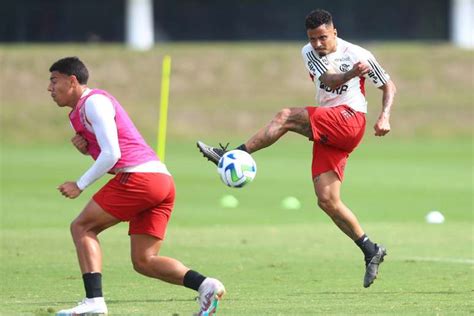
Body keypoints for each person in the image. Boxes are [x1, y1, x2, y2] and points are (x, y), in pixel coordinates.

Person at [197, 9, 396, 288]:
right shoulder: (310, 52)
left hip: (350, 120)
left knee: (286, 116)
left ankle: (231, 154)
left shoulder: (358, 53)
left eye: (323, 37)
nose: (317, 43)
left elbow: (388, 85)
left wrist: (384, 116)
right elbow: (329, 80)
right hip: (332, 128)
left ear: (334, 32)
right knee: (327, 200)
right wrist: (353, 72)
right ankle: (370, 249)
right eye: (313, 38)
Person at [48, 56, 225, 315]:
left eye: (54, 81)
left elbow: (113, 155)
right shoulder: (78, 112)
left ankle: (94, 301)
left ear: (72, 80)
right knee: (144, 261)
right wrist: (88, 150)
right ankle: (206, 285)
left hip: (140, 178)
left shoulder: (94, 102)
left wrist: (80, 184)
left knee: (82, 226)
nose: (49, 88)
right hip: (160, 181)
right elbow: (110, 153)